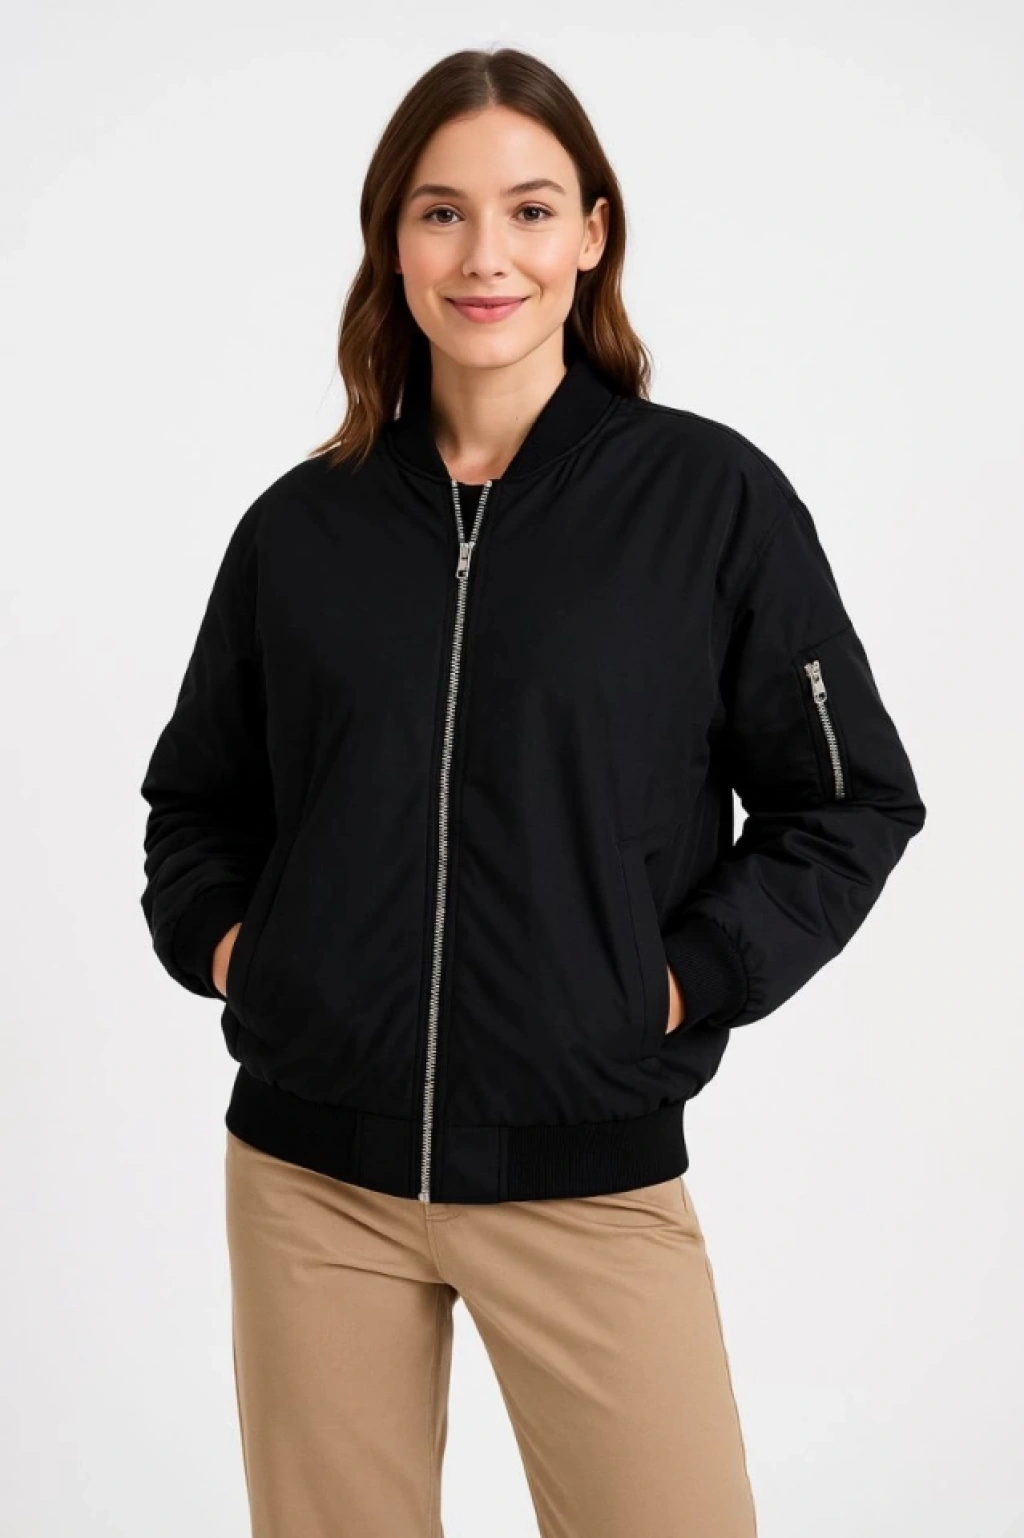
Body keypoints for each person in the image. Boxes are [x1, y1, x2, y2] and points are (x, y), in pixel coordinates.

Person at [138, 45, 927, 1538]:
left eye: (530, 209)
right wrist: (250, 955)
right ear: (393, 241)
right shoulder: (300, 531)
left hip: (587, 1169)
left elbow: (849, 803)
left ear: (592, 234)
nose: (485, 255)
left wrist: (673, 982)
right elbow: (199, 804)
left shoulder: (709, 504)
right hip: (313, 1183)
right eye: (441, 212)